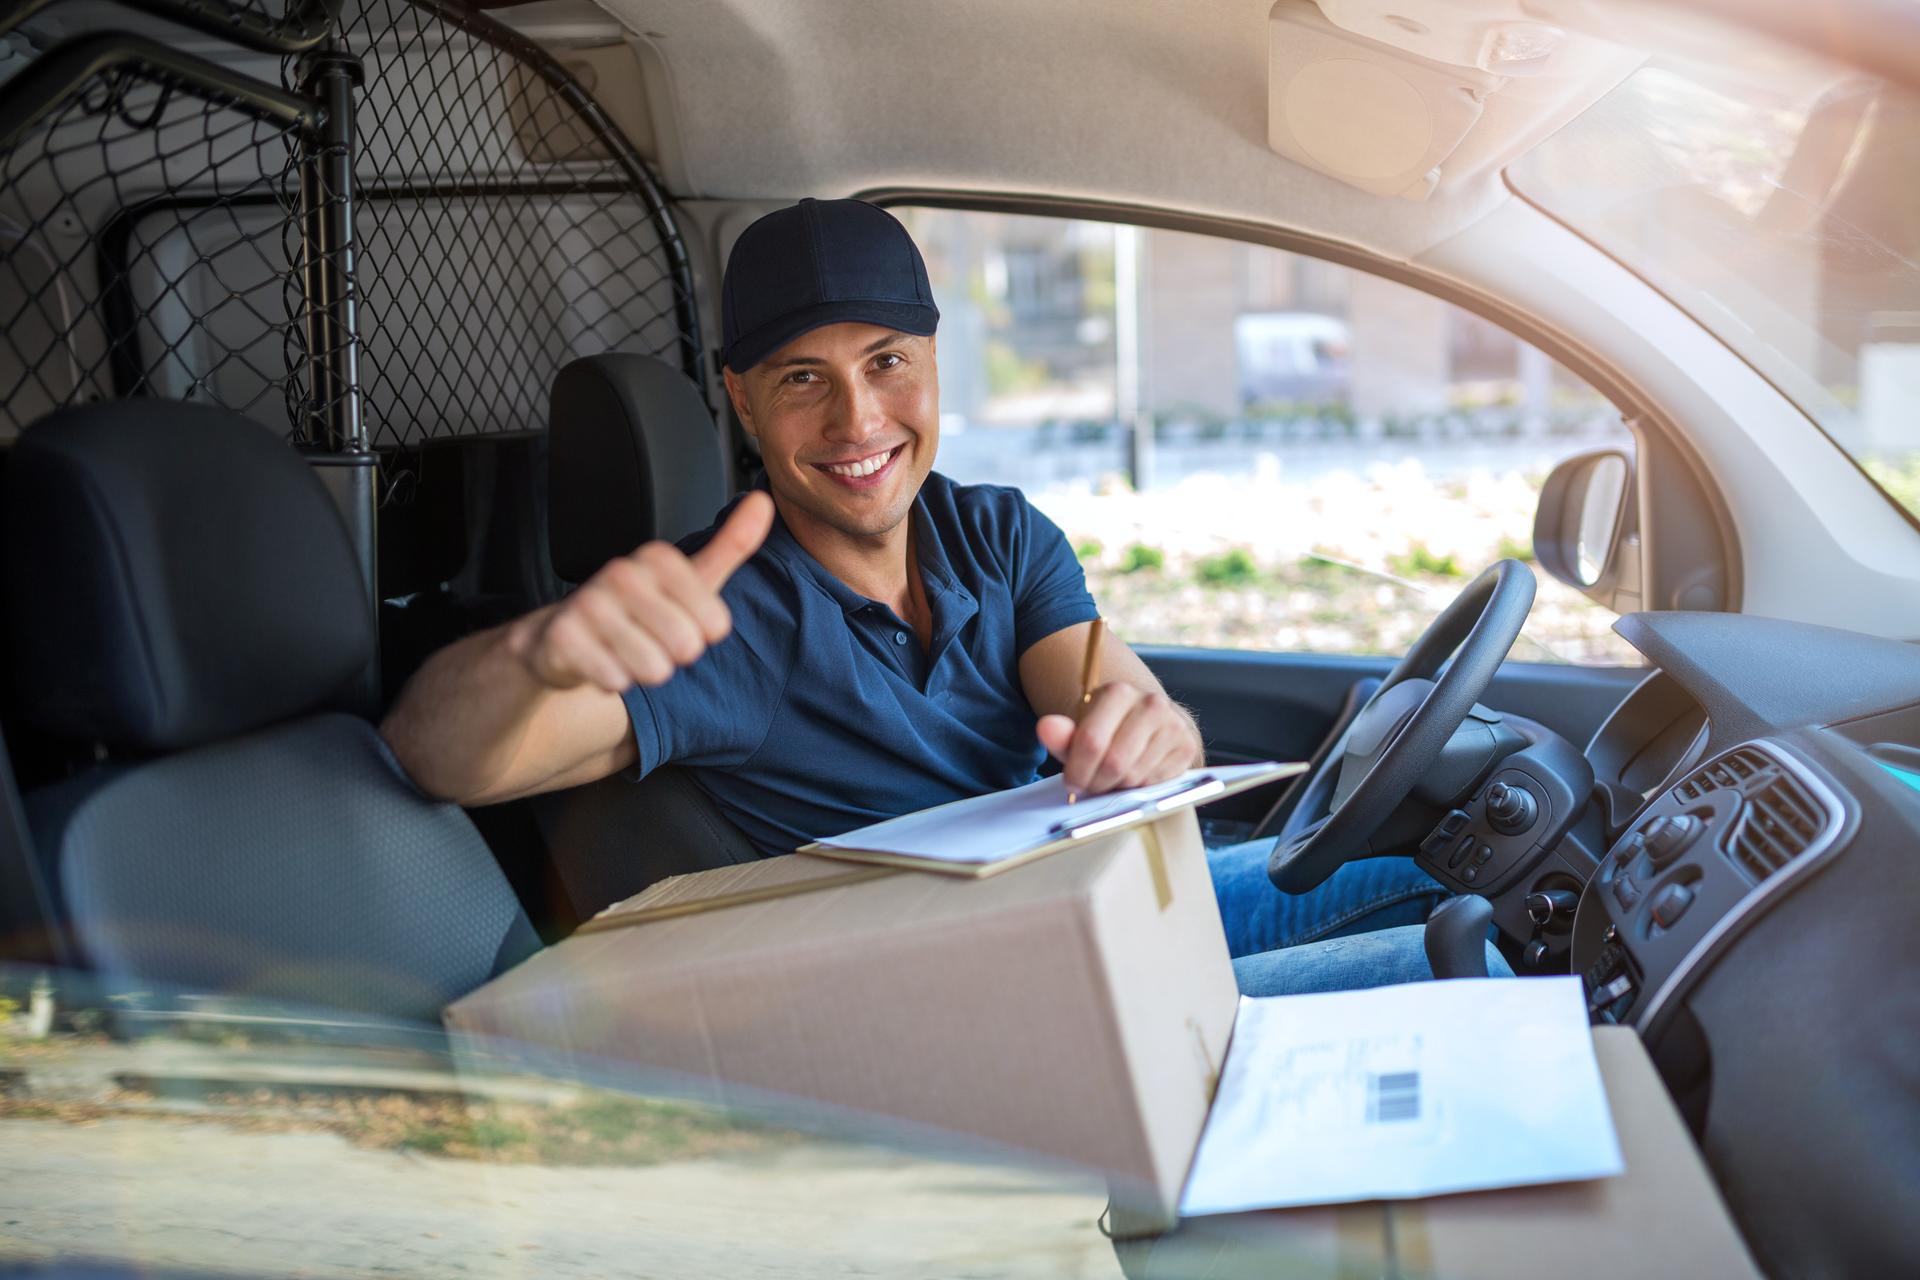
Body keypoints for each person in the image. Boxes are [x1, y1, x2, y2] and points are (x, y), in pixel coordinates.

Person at [380, 198, 1507, 992]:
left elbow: (1121, 704)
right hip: (998, 997)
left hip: (1115, 902)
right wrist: (537, 656)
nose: (858, 423)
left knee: (1460, 862)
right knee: (1475, 967)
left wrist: (1153, 738)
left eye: (884, 363)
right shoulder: (720, 615)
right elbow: (440, 756)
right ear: (739, 399)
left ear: (932, 356)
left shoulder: (998, 533)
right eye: (801, 381)